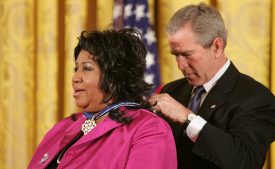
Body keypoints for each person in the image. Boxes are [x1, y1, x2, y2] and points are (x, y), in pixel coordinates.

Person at [149, 3, 275, 169]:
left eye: (187, 55)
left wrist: (187, 118)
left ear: (216, 47)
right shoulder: (171, 91)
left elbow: (246, 162)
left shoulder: (256, 98)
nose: (180, 65)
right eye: (176, 55)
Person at [28, 28, 177, 169]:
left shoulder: (149, 130)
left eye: (87, 68)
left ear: (113, 76)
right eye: (76, 69)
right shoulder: (62, 127)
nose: (75, 78)